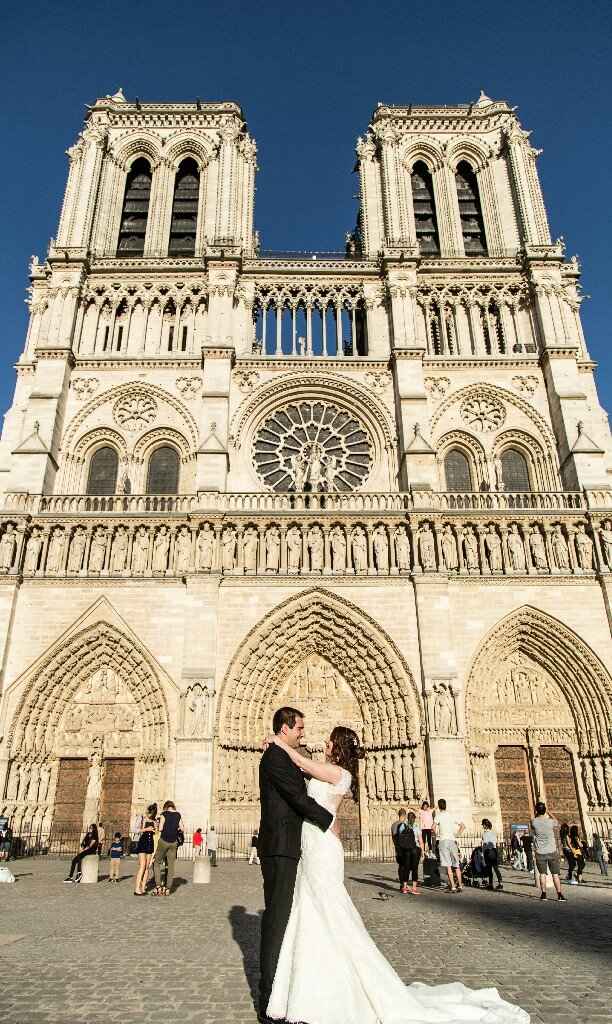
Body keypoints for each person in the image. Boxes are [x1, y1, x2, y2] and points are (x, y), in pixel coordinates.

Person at [265, 724, 529, 1024]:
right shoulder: (326, 771)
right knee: (312, 910)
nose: (322, 743)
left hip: (322, 847)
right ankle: (314, 985)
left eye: (328, 741)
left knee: (328, 909)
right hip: (315, 843)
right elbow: (299, 778)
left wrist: (278, 743)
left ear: (337, 747)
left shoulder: (340, 774)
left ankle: (335, 987)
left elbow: (301, 763)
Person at [257, 706, 335, 1023]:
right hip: (279, 848)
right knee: (277, 922)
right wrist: (328, 821)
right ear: (286, 727)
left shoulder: (281, 755)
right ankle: (268, 1001)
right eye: (300, 728)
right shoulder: (275, 759)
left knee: (285, 919)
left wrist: (281, 747)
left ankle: (281, 994)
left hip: (287, 846)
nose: (303, 734)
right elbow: (295, 797)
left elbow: (303, 774)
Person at [530, 801, 566, 901]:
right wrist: (549, 812)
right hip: (552, 851)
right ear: (544, 810)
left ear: (536, 810)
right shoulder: (550, 822)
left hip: (540, 852)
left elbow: (533, 820)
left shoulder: (534, 822)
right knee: (555, 874)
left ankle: (544, 894)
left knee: (542, 874)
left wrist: (537, 812)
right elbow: (557, 821)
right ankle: (559, 894)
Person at [152, 800, 183, 896]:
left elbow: (160, 828)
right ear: (173, 807)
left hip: (164, 841)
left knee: (157, 862)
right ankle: (167, 889)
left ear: (166, 807)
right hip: (173, 843)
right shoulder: (178, 815)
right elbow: (182, 828)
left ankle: (158, 886)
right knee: (171, 866)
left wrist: (159, 825)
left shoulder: (164, 814)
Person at [435, 798, 465, 893]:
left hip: (443, 841)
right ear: (446, 805)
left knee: (448, 865)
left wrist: (436, 834)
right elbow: (463, 825)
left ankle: (453, 887)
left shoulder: (438, 816)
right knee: (456, 865)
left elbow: (432, 827)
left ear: (439, 806)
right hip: (452, 841)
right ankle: (460, 885)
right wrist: (457, 834)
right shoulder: (451, 815)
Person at [398, 810, 423, 895]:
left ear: (407, 818)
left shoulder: (402, 825)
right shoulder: (416, 826)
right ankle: (414, 888)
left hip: (405, 850)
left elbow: (399, 839)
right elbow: (420, 841)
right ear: (414, 819)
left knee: (406, 868)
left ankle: (404, 888)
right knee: (415, 869)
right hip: (415, 849)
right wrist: (423, 852)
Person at [134, 817, 155, 895]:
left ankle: (143, 888)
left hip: (150, 843)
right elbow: (135, 830)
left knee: (147, 867)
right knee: (142, 866)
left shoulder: (154, 820)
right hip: (143, 842)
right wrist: (146, 829)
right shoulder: (141, 818)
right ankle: (137, 889)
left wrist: (155, 829)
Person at [481, 819, 503, 891]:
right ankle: (500, 883)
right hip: (494, 851)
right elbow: (495, 842)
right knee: (496, 868)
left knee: (489, 869)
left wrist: (483, 853)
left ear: (485, 825)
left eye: (483, 825)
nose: (483, 826)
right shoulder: (493, 833)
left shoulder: (484, 834)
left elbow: (484, 844)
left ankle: (490, 884)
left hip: (488, 851)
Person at [391, 809, 407, 890]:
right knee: (404, 866)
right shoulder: (403, 825)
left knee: (401, 866)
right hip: (403, 848)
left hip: (397, 848)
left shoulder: (393, 825)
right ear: (404, 816)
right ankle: (403, 884)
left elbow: (394, 837)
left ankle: (402, 884)